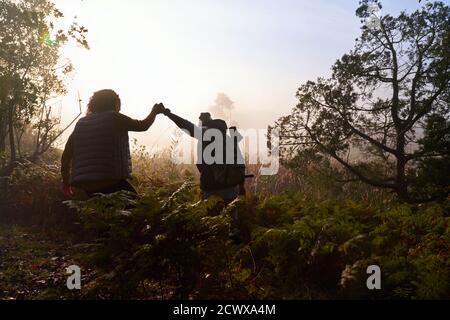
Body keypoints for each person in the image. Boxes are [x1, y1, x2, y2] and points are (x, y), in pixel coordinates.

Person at [161, 107, 247, 242]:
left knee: (212, 223)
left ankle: (214, 247)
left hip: (212, 188)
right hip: (231, 187)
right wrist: (241, 187)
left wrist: (168, 114)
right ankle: (234, 245)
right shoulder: (230, 139)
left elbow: (186, 125)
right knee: (232, 220)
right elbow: (240, 164)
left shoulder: (207, 135)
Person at [61, 89, 165, 197]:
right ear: (114, 103)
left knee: (101, 212)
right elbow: (142, 125)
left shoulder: (81, 123)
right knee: (139, 210)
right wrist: (154, 112)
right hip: (109, 182)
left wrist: (65, 182)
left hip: (85, 185)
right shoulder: (114, 117)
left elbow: (66, 155)